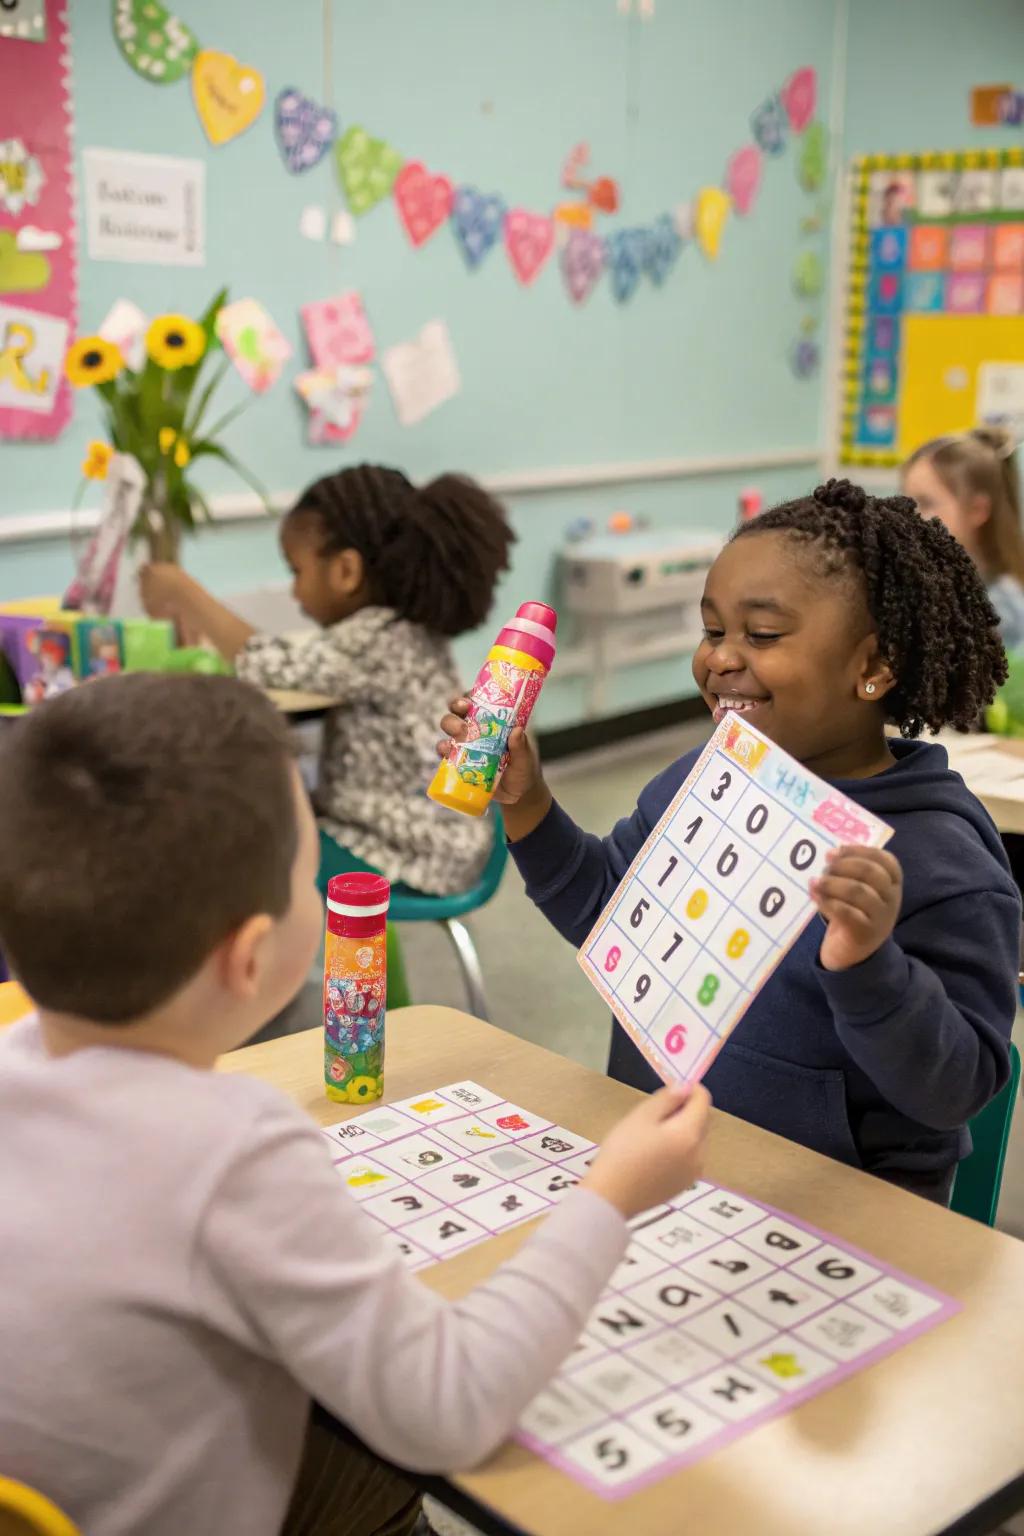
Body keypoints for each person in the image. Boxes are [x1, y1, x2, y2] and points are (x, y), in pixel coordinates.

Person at [0, 673, 710, 1536]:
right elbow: (449, 1407)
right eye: (309, 873)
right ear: (250, 958)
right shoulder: (234, 1149)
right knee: (381, 1468)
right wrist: (610, 1197)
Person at [441, 479, 1021, 1205]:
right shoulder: (704, 777)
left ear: (873, 666)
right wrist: (528, 802)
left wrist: (869, 966)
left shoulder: (946, 860)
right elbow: (606, 912)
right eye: (713, 631)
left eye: (763, 635)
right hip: (669, 1174)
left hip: (841, 1214)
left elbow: (957, 1090)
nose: (721, 658)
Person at [140, 466, 516, 896]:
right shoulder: (403, 629)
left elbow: (263, 662)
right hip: (441, 845)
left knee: (244, 856)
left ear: (346, 571)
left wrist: (183, 591)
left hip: (404, 854)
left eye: (296, 571)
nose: (295, 592)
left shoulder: (377, 639)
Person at [902, 426, 1024, 652]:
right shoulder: (942, 584)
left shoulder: (999, 610)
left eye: (925, 503)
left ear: (977, 510)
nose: (908, 515)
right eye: (907, 501)